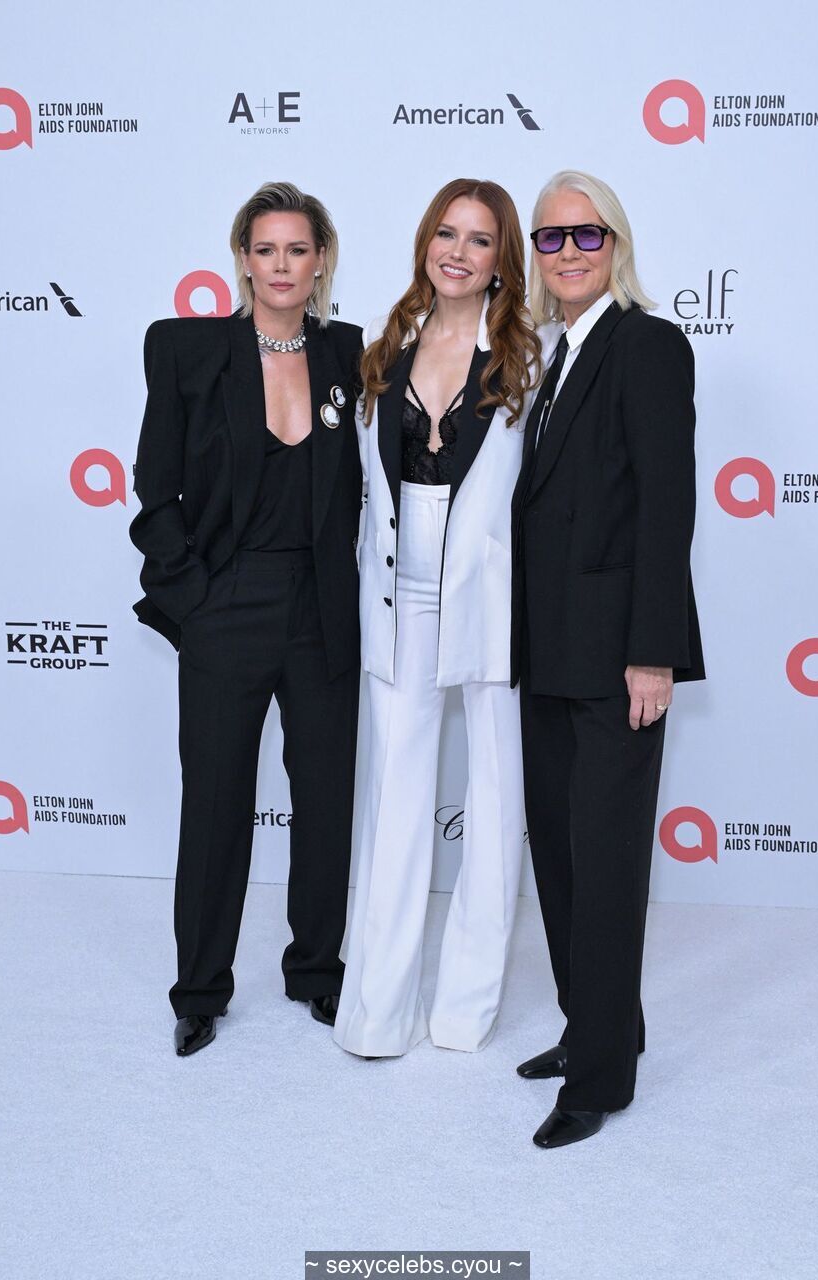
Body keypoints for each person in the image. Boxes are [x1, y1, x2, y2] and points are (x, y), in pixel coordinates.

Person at [130, 182, 363, 1056]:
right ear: (242, 259)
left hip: (323, 606)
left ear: (321, 261)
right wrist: (194, 602)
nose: (281, 265)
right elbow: (155, 490)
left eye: (297, 249)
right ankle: (199, 990)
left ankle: (317, 971)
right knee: (217, 803)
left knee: (326, 800)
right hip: (227, 603)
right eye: (265, 249)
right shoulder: (186, 350)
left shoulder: (350, 352)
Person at [511, 170, 705, 1146]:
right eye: (550, 237)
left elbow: (667, 507)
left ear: (615, 244)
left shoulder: (647, 344)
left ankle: (599, 1082)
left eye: (585, 234)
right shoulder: (549, 356)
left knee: (606, 865)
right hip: (544, 653)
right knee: (559, 856)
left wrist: (652, 654)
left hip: (616, 659)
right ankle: (598, 1026)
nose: (568, 251)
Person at [334, 178, 541, 1058]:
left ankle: (464, 1007)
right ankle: (376, 1012)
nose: (458, 252)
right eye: (446, 234)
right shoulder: (386, 349)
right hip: (396, 592)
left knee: (494, 796)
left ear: (502, 261)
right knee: (393, 795)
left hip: (490, 598)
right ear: (426, 242)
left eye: (479, 239)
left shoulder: (530, 358)